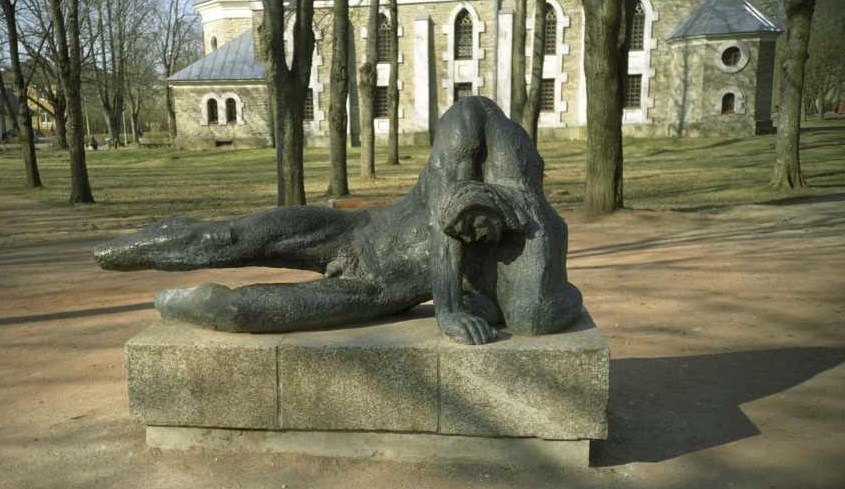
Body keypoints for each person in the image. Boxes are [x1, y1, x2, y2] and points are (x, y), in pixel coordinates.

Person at [94, 97, 581, 344]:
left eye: (475, 234)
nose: (469, 237)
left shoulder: (537, 235)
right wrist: (450, 308)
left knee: (246, 313)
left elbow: (532, 317)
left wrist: (471, 309)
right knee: (225, 236)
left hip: (383, 290)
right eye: (466, 225)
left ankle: (175, 305)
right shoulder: (475, 124)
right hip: (354, 231)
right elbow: (442, 218)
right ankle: (131, 251)